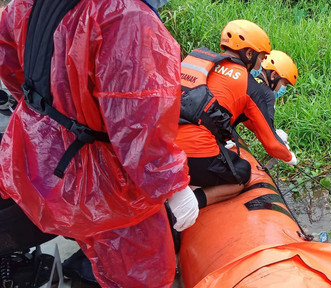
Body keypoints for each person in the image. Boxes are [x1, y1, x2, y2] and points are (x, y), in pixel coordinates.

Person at [0, 0, 199, 287]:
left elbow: (8, 58)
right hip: (100, 179)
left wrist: (43, 119)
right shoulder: (126, 17)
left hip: (38, 152)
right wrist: (173, 187)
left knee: (96, 245)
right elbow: (138, 119)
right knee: (143, 272)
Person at [175, 20, 296, 209]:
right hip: (192, 151)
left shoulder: (202, 61)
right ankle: (186, 205)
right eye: (260, 57)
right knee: (241, 173)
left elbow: (248, 120)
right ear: (249, 53)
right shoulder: (248, 84)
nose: (260, 63)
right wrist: (289, 157)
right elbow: (272, 145)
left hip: (163, 144)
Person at [231, 50, 299, 163]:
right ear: (274, 75)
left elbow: (250, 120)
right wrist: (287, 155)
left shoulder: (248, 78)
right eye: (284, 84)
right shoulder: (267, 95)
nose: (284, 89)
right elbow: (268, 135)